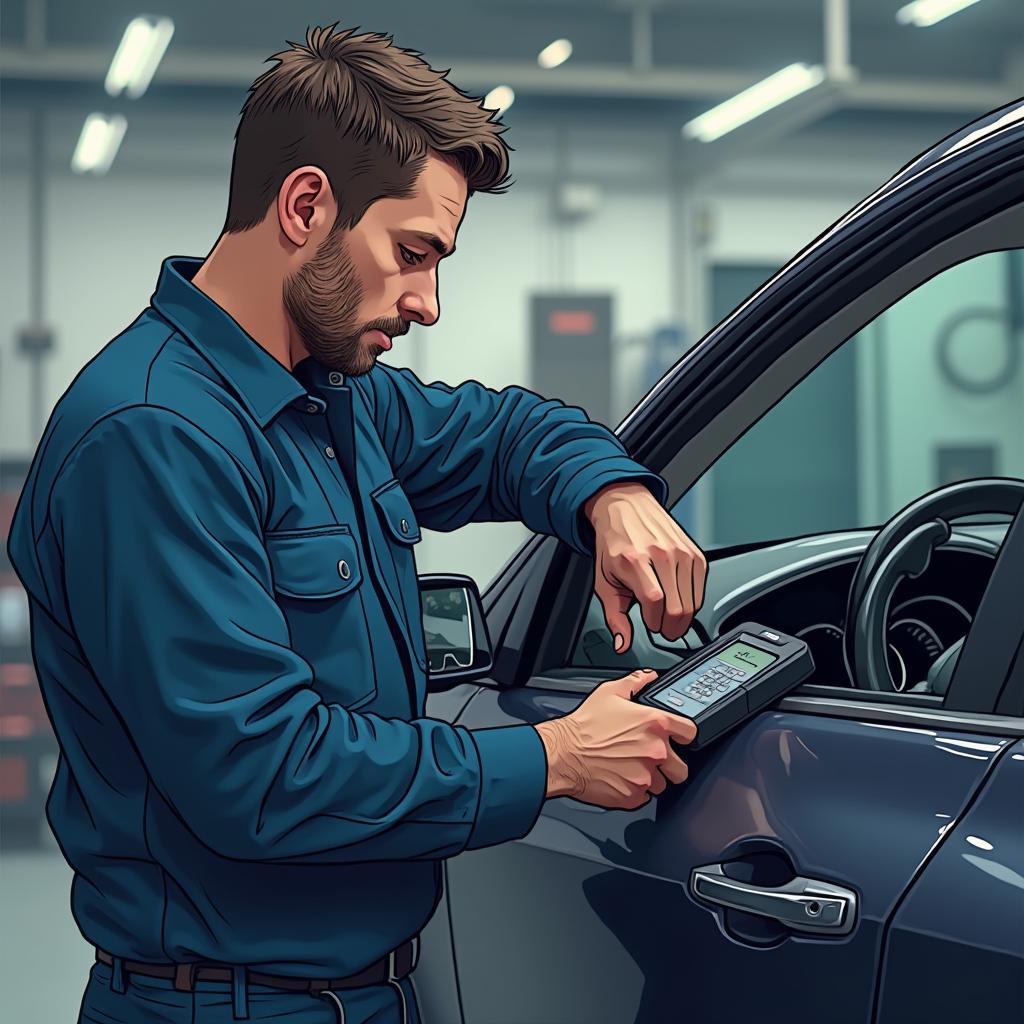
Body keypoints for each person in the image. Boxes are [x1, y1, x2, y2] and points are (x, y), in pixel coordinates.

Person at [6, 24, 707, 1024]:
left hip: (364, 994)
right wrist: (553, 757)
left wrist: (611, 494)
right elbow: (263, 772)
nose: (426, 300)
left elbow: (506, 434)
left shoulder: (335, 400)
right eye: (411, 253)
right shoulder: (152, 435)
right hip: (227, 1006)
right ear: (305, 205)